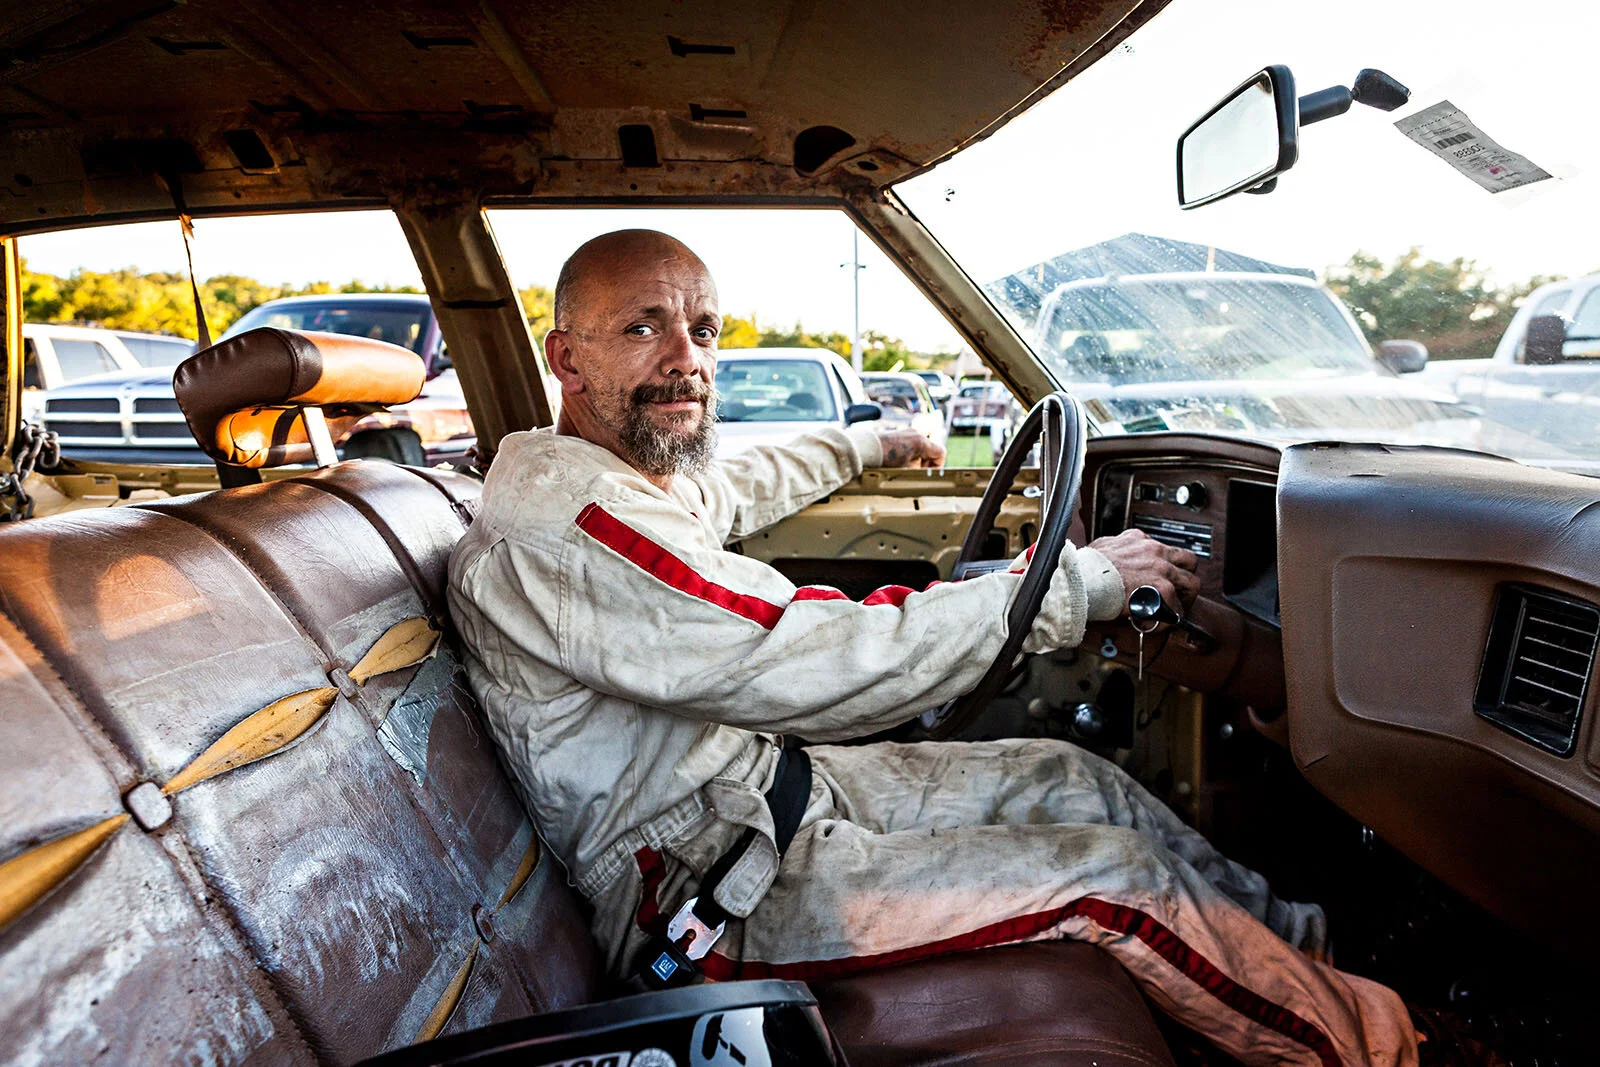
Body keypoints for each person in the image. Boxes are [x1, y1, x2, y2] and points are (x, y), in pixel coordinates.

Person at [447, 229, 1420, 1067]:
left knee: (1068, 774)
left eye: (703, 330)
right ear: (566, 357)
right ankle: (1380, 1047)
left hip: (765, 797)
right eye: (644, 326)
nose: (686, 358)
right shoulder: (570, 527)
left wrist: (867, 443)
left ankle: (1306, 956)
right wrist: (1073, 585)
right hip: (704, 889)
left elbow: (735, 485)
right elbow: (803, 655)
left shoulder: (619, 476)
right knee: (1112, 879)